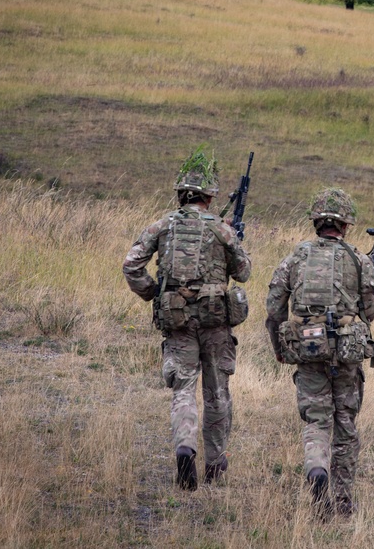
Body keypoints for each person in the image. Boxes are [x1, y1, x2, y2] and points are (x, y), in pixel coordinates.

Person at [123, 149, 251, 491]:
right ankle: (214, 463)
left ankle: (184, 447)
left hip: (176, 319)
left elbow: (131, 264)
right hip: (216, 321)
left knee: (183, 389)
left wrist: (153, 292)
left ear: (181, 194)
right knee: (217, 392)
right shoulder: (221, 229)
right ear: (210, 197)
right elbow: (244, 272)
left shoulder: (163, 224)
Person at [265, 188, 374, 517]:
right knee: (345, 424)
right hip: (345, 353)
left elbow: (274, 308)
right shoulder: (358, 259)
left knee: (317, 421)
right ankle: (343, 501)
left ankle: (317, 470)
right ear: (345, 225)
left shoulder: (296, 257)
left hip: (307, 349)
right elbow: (370, 310)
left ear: (316, 222)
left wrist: (278, 347)